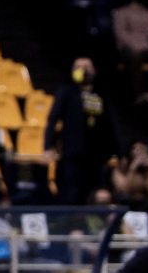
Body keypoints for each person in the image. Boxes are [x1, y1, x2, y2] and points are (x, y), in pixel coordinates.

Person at [45, 58, 123, 205]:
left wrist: (119, 152)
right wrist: (47, 146)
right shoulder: (66, 92)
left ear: (94, 71)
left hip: (97, 157)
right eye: (79, 67)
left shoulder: (102, 94)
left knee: (93, 195)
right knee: (72, 194)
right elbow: (53, 119)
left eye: (87, 67)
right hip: (73, 155)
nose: (84, 70)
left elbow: (112, 123)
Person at [111, 141, 148, 210]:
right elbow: (125, 190)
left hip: (145, 205)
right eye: (136, 149)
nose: (140, 152)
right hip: (127, 204)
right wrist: (133, 168)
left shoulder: (147, 168)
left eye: (142, 149)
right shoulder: (120, 168)